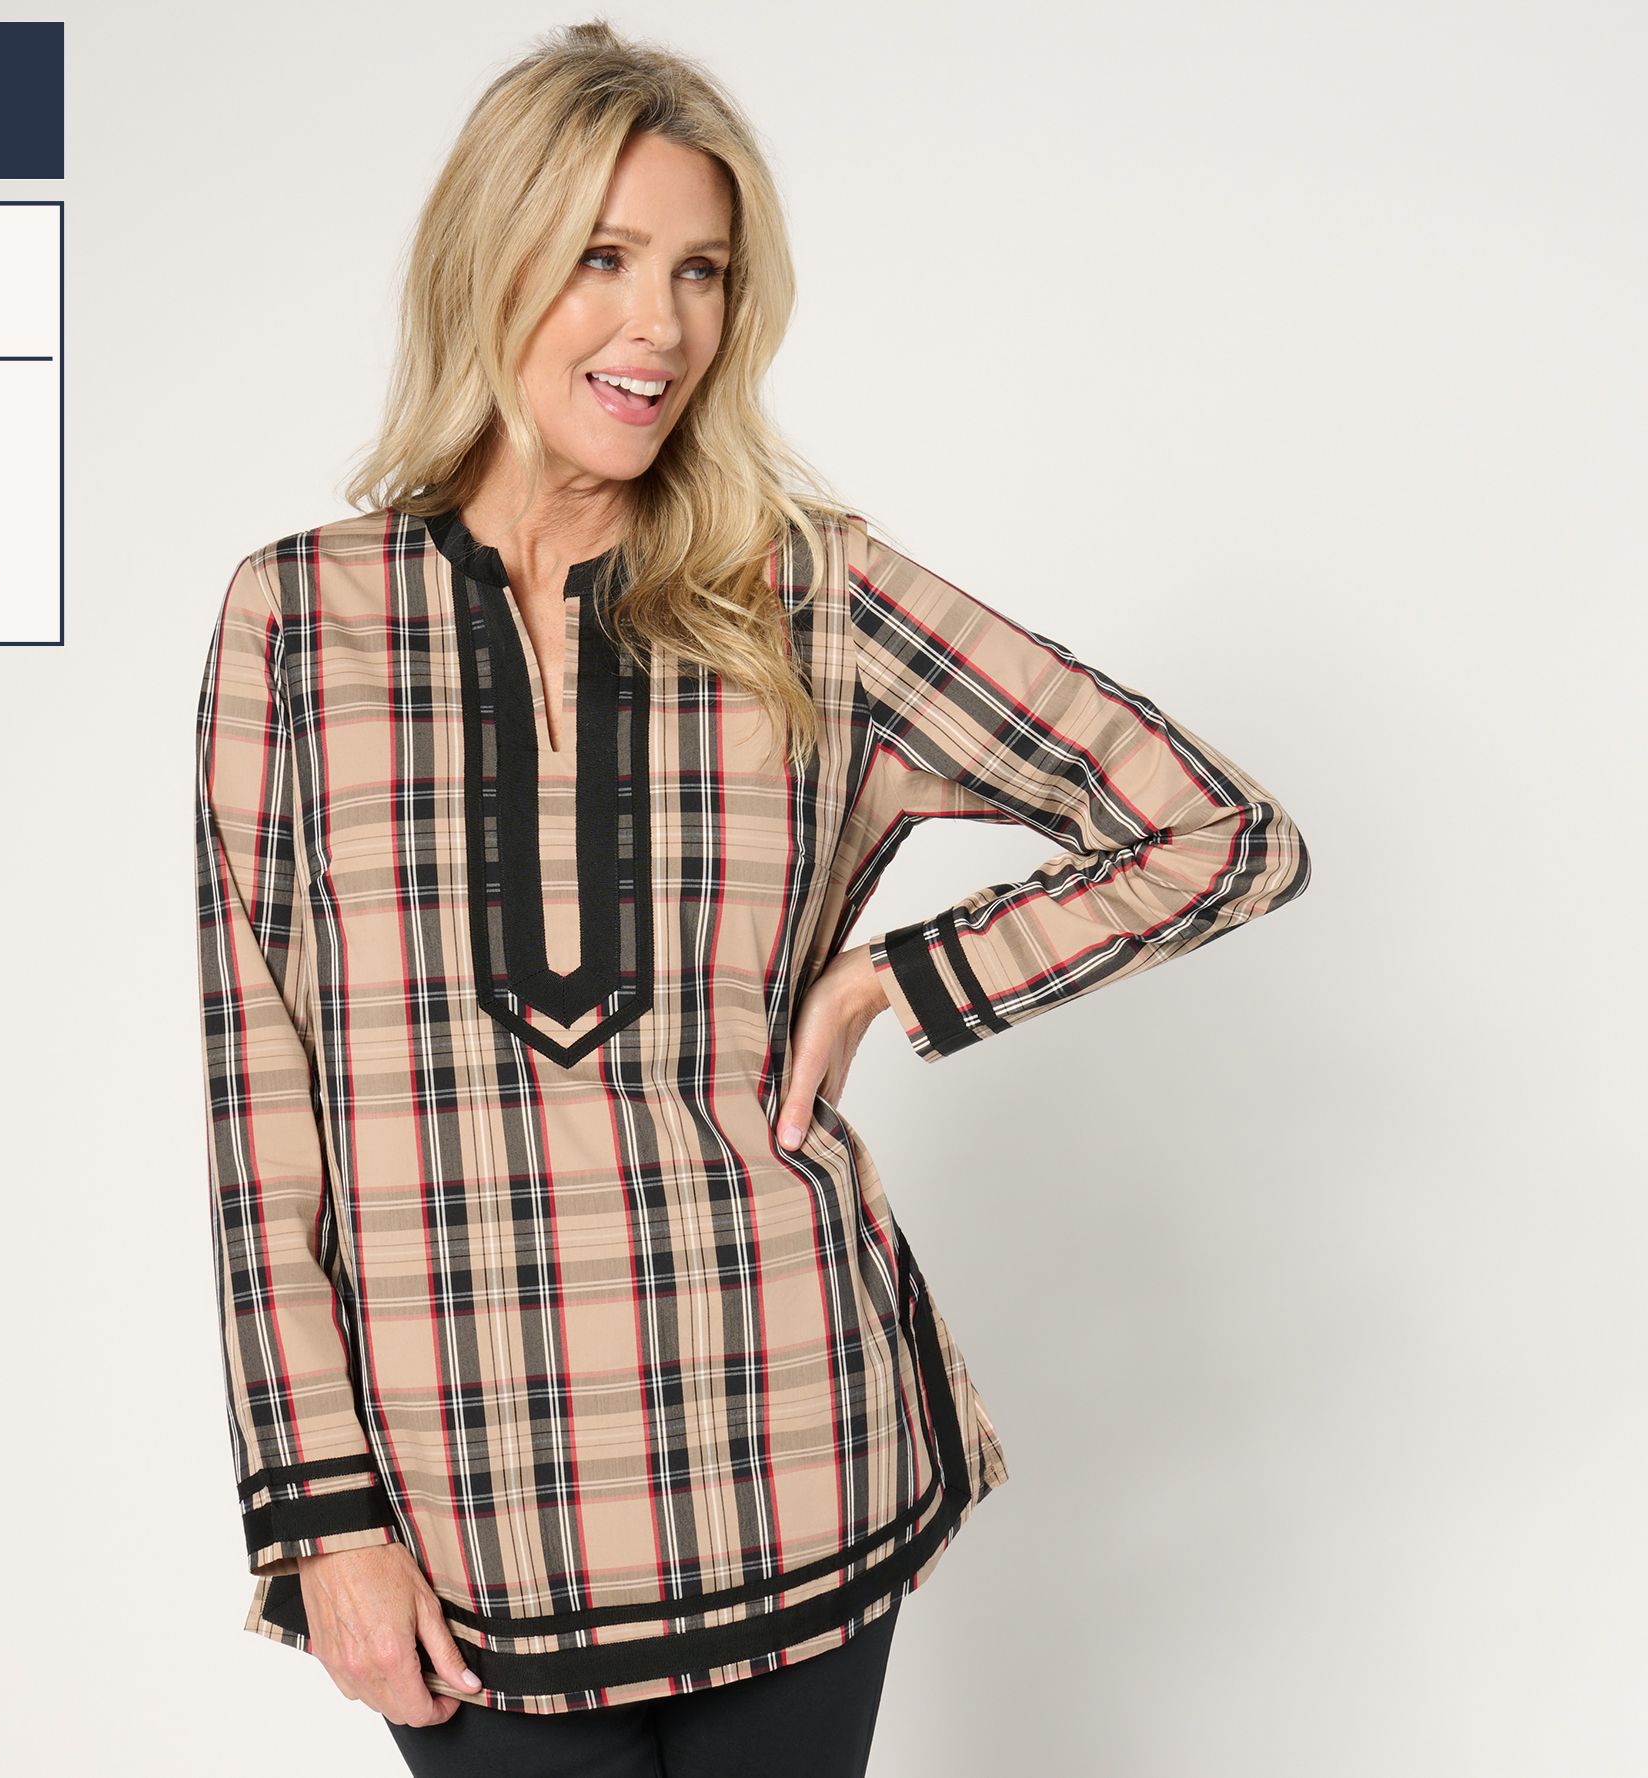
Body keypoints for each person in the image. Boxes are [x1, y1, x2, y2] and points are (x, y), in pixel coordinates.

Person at [192, 19, 1312, 1776]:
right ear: (488, 258)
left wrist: (896, 978)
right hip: (466, 1517)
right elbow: (262, 1099)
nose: (659, 324)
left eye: (701, 271)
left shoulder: (808, 599)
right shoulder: (297, 621)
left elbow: (1219, 829)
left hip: (791, 1443)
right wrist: (321, 1511)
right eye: (603, 257)